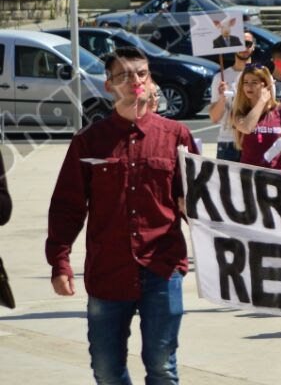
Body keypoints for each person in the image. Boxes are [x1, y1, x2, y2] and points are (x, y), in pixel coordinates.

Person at [46, 46, 199, 385]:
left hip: (163, 268)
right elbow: (67, 206)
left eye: (141, 74)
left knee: (162, 367)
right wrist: (60, 261)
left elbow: (201, 202)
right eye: (124, 76)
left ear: (151, 80)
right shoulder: (89, 142)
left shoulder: (176, 137)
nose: (135, 81)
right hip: (107, 271)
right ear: (108, 86)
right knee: (106, 369)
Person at [232, 65, 281, 169]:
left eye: (254, 82)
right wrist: (261, 102)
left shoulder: (279, 110)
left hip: (276, 173)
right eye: (245, 82)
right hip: (249, 175)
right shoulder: (240, 111)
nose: (249, 86)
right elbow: (247, 128)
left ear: (266, 85)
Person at [208, 30, 258, 162]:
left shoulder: (263, 76)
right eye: (238, 43)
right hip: (228, 142)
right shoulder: (220, 78)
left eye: (247, 43)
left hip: (255, 140)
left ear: (253, 46)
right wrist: (222, 98)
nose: (243, 48)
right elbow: (214, 118)